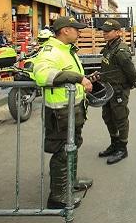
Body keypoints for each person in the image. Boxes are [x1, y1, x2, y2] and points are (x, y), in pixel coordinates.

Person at [33, 16, 94, 209]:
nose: (79, 32)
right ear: (65, 30)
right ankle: (58, 196)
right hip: (59, 113)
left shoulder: (67, 50)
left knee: (73, 146)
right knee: (61, 152)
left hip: (72, 111)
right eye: (76, 29)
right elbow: (43, 74)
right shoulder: (50, 51)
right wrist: (78, 78)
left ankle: (71, 182)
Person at [97, 19, 136, 165]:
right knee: (107, 116)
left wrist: (132, 83)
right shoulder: (109, 46)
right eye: (103, 31)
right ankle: (114, 143)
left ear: (118, 32)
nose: (104, 34)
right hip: (107, 88)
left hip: (118, 89)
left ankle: (122, 148)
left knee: (120, 118)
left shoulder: (120, 50)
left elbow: (130, 71)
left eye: (108, 31)